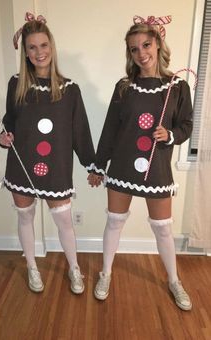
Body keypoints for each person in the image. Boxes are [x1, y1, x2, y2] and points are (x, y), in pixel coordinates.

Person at [88, 15, 193, 311]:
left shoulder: (177, 86)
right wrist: (98, 165)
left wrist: (170, 134)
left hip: (156, 168)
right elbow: (110, 129)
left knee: (162, 228)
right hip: (121, 167)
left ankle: (174, 280)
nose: (141, 53)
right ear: (130, 54)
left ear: (158, 44)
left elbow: (186, 125)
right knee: (114, 222)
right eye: (134, 49)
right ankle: (105, 273)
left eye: (146, 44)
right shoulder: (124, 87)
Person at [0, 12, 95, 294]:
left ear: (51, 47)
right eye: (32, 47)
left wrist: (92, 165)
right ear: (26, 53)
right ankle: (31, 266)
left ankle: (74, 268)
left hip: (56, 167)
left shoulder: (70, 89)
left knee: (64, 220)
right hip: (21, 163)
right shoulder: (16, 84)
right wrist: (5, 137)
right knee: (25, 217)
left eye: (43, 45)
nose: (38, 52)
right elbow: (10, 121)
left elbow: (80, 131)